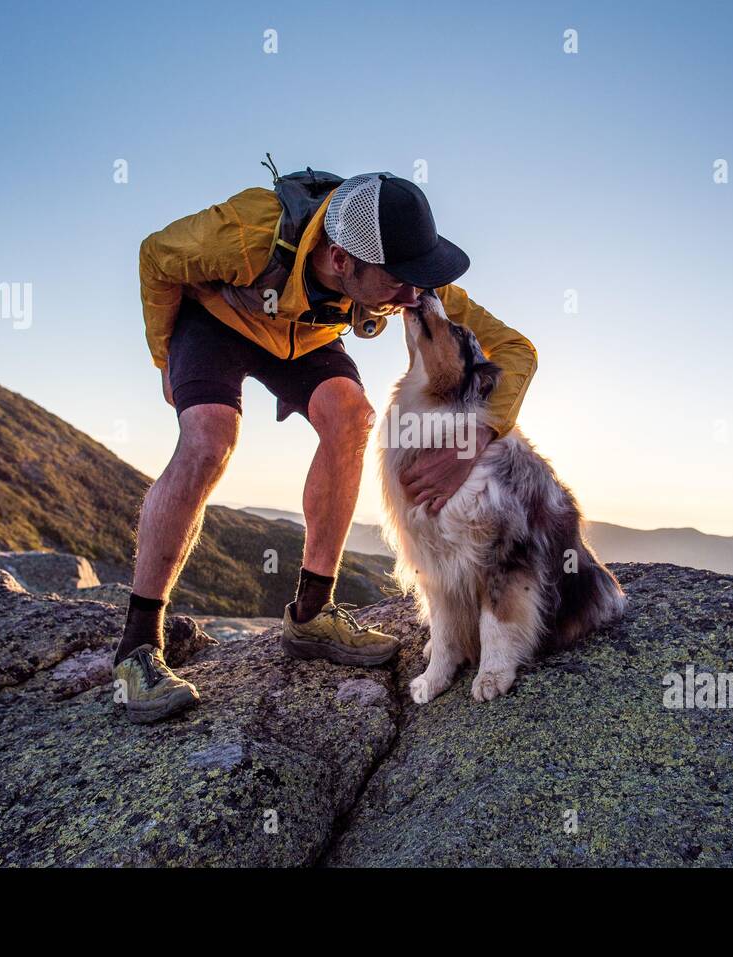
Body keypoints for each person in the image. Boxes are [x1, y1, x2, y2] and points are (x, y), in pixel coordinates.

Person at [113, 168, 537, 723]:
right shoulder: (246, 232)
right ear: (342, 260)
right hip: (218, 319)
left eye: (419, 278)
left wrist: (475, 437)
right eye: (398, 281)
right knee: (209, 439)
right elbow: (157, 256)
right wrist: (165, 359)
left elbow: (515, 348)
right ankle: (138, 648)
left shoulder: (409, 281)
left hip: (302, 337)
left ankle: (312, 616)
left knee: (351, 417)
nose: (415, 296)